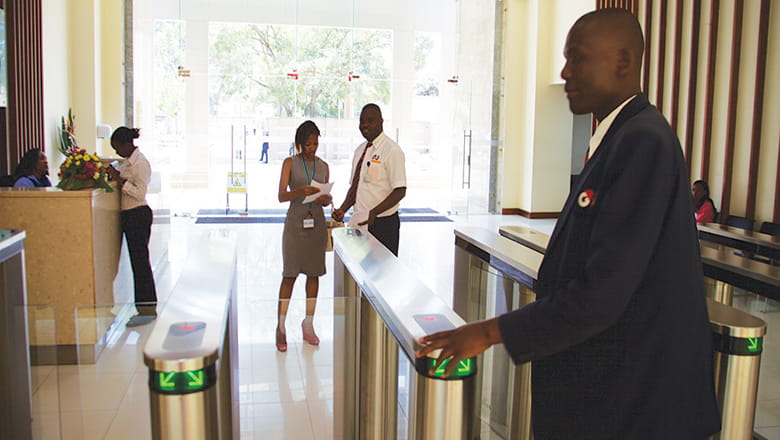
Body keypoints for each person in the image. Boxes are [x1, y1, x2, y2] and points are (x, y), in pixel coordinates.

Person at [416, 8, 720, 439]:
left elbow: (603, 293)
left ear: (623, 62)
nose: (565, 72)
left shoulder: (642, 142)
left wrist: (489, 331)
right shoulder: (620, 138)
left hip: (636, 406)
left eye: (577, 58)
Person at [276, 120, 332, 352]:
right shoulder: (290, 163)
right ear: (299, 144)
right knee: (289, 275)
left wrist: (325, 199)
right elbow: (281, 195)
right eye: (308, 144)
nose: (312, 148)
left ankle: (308, 323)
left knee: (314, 274)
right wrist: (300, 191)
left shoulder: (324, 166)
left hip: (316, 223)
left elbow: (327, 196)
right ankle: (280, 325)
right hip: (295, 223)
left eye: (316, 143)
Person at [332, 104, 406, 256]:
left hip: (383, 224)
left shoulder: (392, 150)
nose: (365, 125)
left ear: (381, 122)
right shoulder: (360, 150)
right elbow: (355, 187)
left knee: (383, 274)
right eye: (362, 121)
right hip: (360, 223)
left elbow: (400, 190)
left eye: (370, 120)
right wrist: (343, 209)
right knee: (361, 272)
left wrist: (374, 212)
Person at [106, 127, 158, 328]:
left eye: (117, 147)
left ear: (127, 144)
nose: (117, 151)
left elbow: (140, 193)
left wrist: (120, 180)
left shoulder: (140, 163)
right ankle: (144, 308)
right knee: (138, 263)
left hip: (138, 214)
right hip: (129, 215)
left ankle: (147, 310)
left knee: (141, 264)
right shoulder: (127, 163)